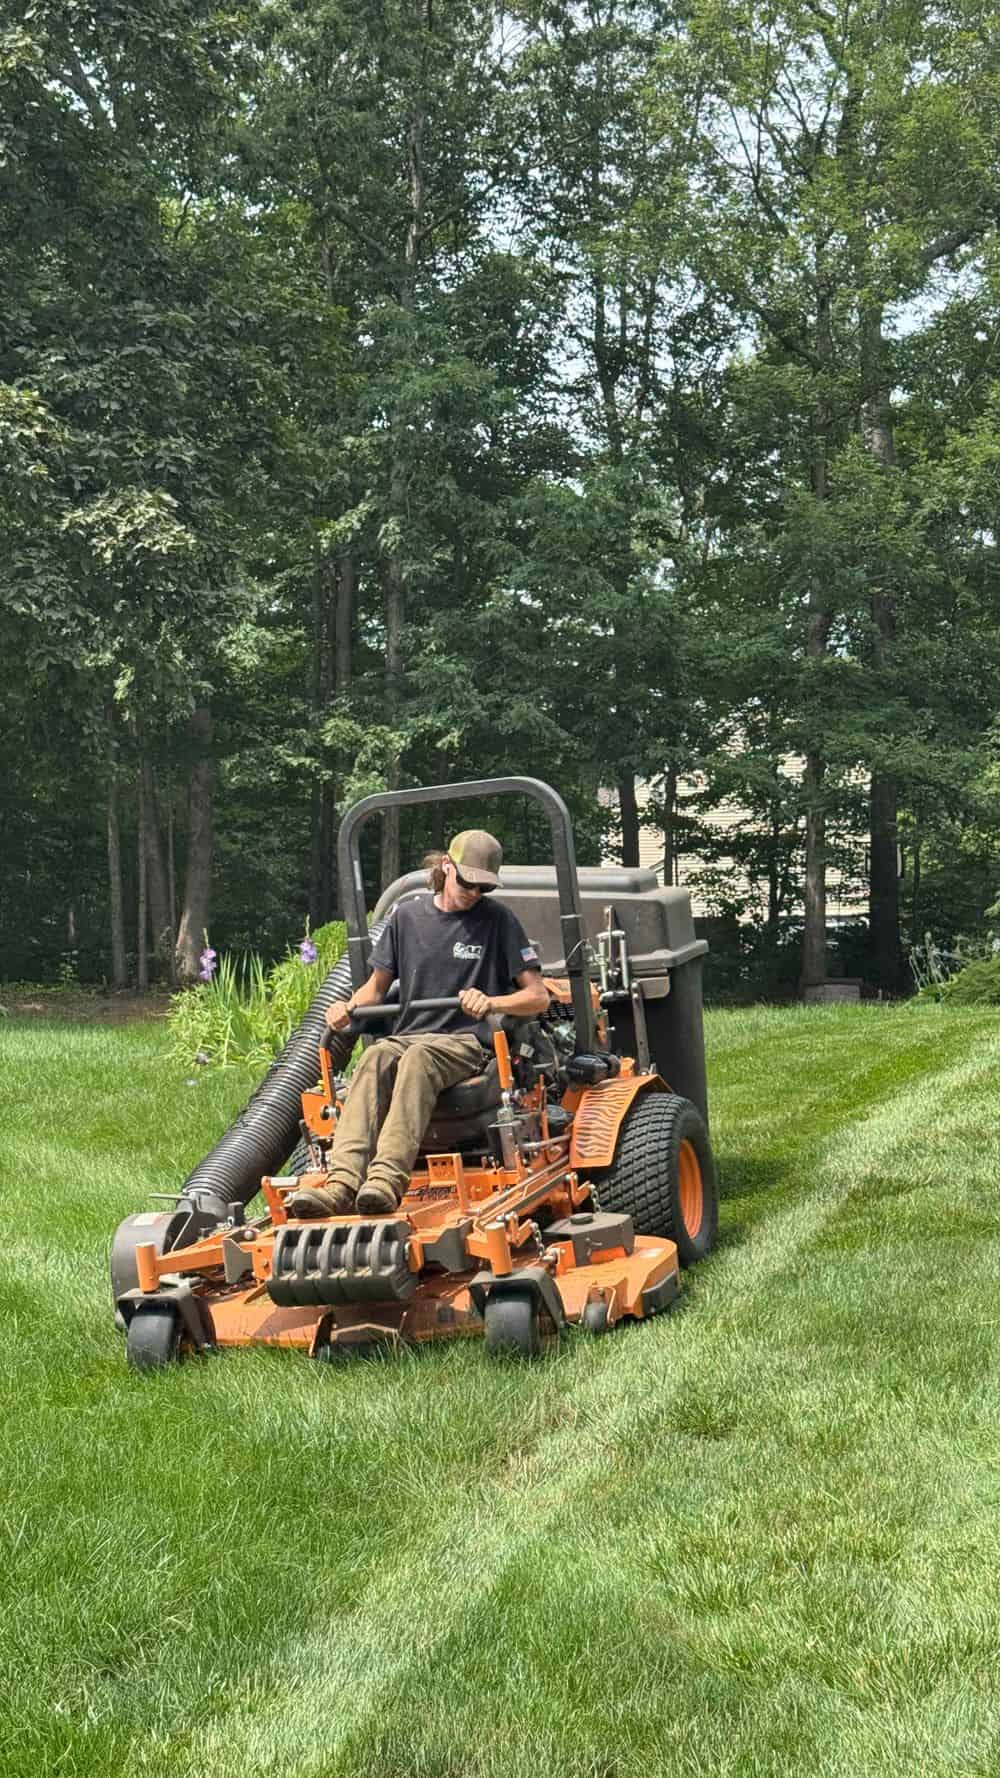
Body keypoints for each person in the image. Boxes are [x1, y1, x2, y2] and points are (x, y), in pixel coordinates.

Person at [288, 828, 550, 1218]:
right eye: (468, 882)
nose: (475, 893)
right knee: (375, 1056)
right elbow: (375, 990)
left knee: (418, 1060)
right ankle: (341, 1183)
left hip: (465, 1043)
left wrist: (491, 1000)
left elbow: (538, 996)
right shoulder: (405, 918)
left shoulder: (499, 922)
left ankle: (385, 1181)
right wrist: (345, 1007)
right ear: (447, 867)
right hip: (411, 1034)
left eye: (485, 888)